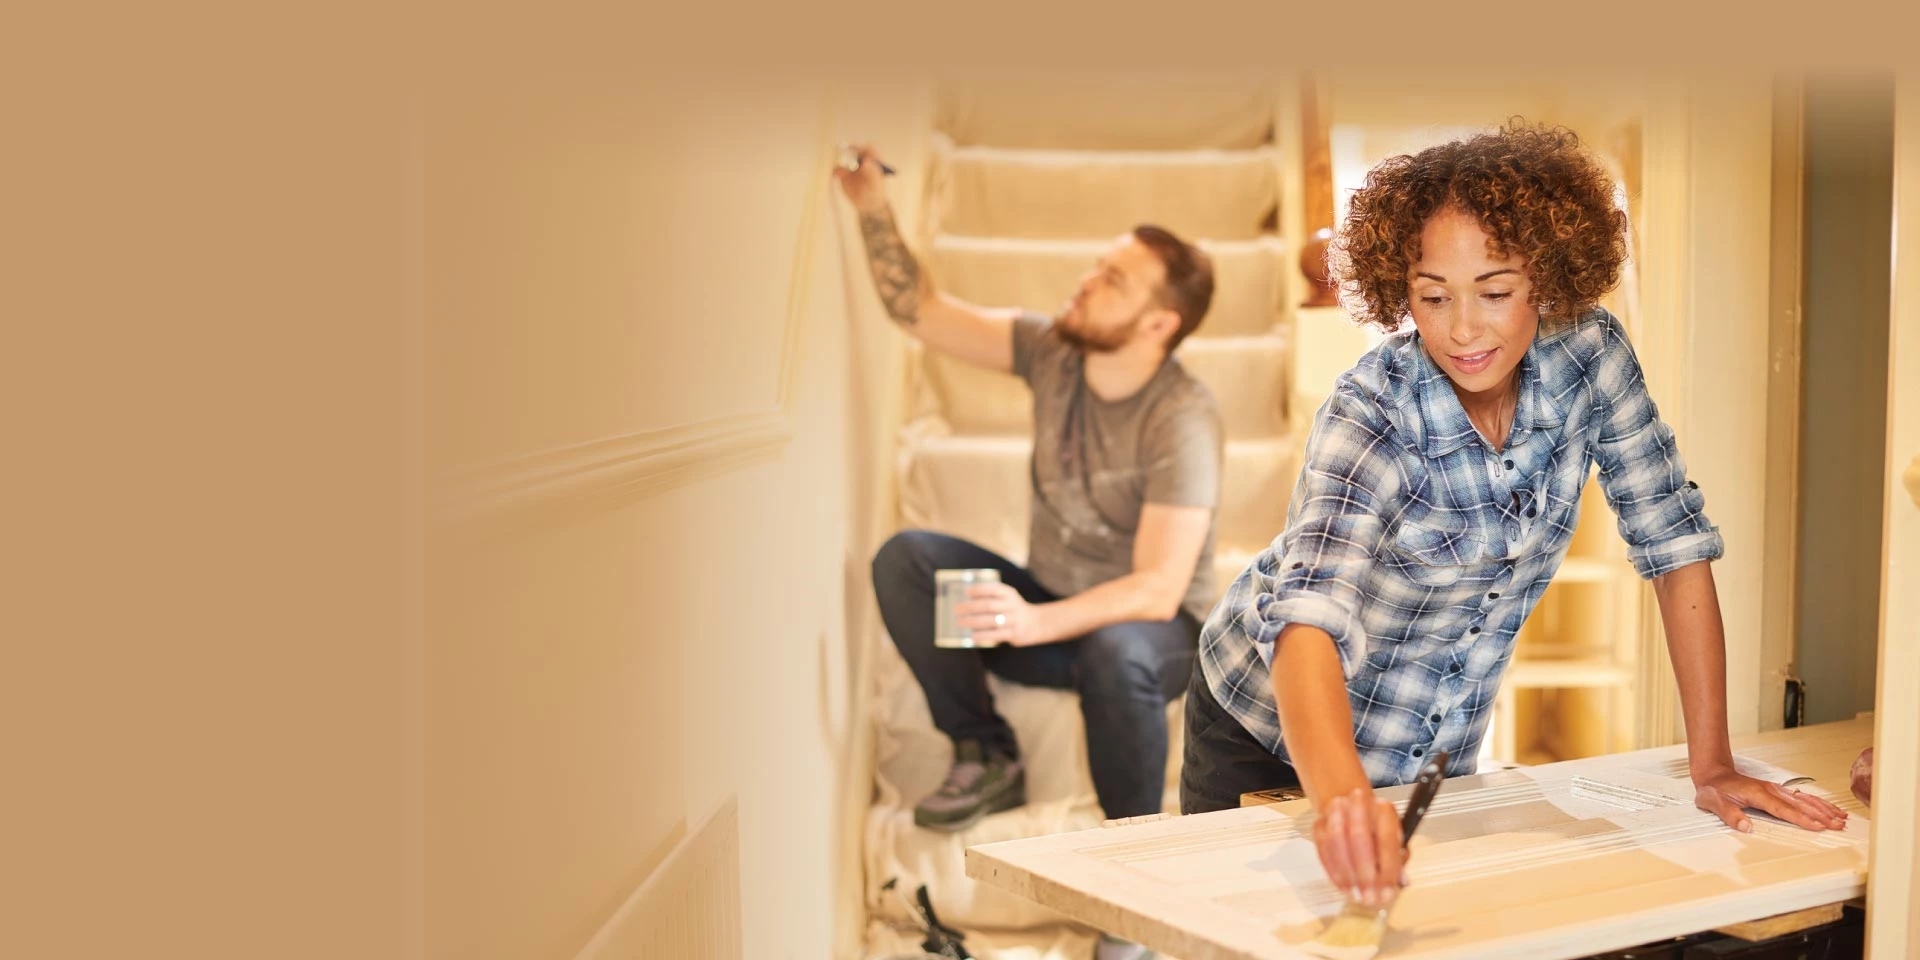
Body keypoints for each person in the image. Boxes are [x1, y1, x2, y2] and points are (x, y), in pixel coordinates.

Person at [1179, 122, 1852, 911]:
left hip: (1428, 755)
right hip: (1262, 731)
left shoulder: (1590, 358)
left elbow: (1673, 544)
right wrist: (1343, 801)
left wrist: (1714, 764)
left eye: (1495, 292)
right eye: (1433, 296)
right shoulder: (1371, 412)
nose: (1463, 328)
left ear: (1548, 278)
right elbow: (1306, 620)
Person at [836, 144, 1226, 835]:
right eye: (1097, 267)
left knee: (1115, 652)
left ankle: (1132, 854)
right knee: (908, 560)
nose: (1086, 282)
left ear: (1158, 324)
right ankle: (986, 752)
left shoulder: (1182, 417)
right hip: (1048, 603)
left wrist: (1032, 623)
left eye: (1112, 280)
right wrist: (871, 206)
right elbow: (921, 311)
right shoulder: (1053, 352)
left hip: (1153, 637)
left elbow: (1158, 589)